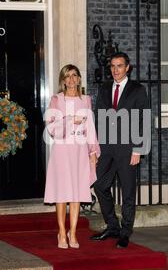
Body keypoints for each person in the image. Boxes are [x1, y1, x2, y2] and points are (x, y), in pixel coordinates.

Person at [90, 52, 149, 248]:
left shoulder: (137, 90)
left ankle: (125, 232)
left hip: (128, 148)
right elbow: (98, 116)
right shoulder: (105, 88)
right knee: (98, 184)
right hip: (106, 148)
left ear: (128, 67)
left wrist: (138, 150)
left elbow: (144, 120)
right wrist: (95, 147)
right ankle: (112, 226)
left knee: (128, 191)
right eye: (113, 66)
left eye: (119, 66)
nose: (115, 70)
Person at [44, 64, 100, 249]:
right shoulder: (56, 100)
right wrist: (70, 120)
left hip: (79, 150)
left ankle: (73, 233)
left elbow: (90, 127)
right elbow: (51, 129)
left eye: (74, 75)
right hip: (61, 150)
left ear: (78, 78)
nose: (71, 79)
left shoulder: (86, 100)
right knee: (62, 194)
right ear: (63, 80)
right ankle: (61, 232)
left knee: (76, 193)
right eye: (67, 76)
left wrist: (92, 152)